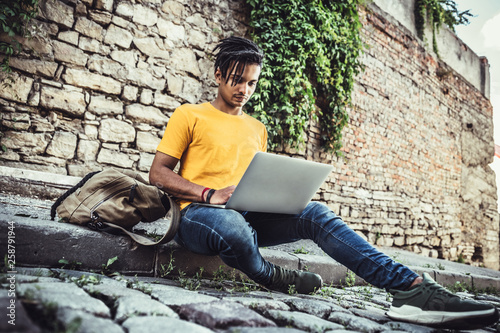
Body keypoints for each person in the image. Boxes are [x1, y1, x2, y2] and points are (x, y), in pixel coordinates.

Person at [149, 36, 498, 329]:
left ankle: (410, 288)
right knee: (233, 225)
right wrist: (209, 194)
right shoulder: (189, 114)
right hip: (196, 215)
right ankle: (270, 274)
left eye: (252, 82)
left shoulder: (257, 128)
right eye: (237, 80)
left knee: (315, 212)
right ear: (218, 74)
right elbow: (159, 173)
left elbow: (255, 179)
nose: (244, 89)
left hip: (244, 214)